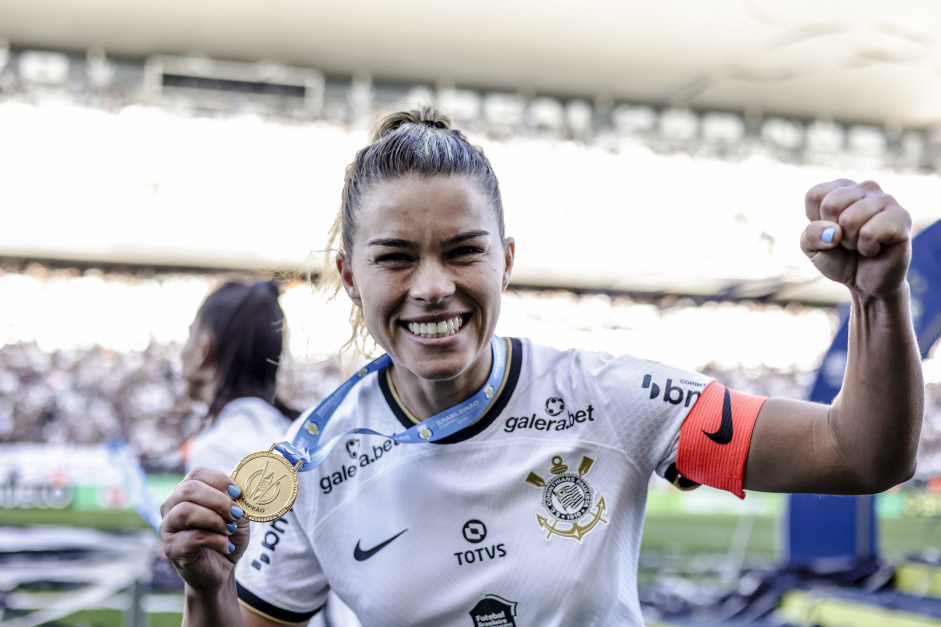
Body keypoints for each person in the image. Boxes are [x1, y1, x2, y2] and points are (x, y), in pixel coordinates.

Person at [159, 104, 924, 626]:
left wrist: (875, 301)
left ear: (506, 261)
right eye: (395, 258)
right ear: (351, 276)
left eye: (462, 250)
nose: (432, 286)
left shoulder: (614, 399)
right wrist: (207, 590)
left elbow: (858, 455)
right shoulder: (313, 463)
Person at [180, 279, 298, 473]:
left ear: (204, 351)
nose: (182, 352)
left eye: (189, 335)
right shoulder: (294, 433)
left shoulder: (216, 451)